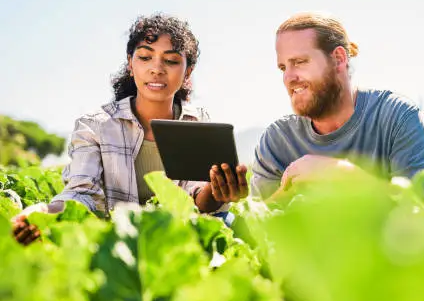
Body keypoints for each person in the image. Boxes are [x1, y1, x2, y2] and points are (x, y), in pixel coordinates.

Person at [12, 13, 248, 245]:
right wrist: (41, 212)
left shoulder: (200, 123)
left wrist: (217, 193)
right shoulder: (95, 125)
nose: (156, 69)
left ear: (188, 71)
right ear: (130, 64)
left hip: (179, 241)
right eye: (145, 58)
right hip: (117, 245)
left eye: (171, 60)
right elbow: (81, 195)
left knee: (228, 222)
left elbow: (197, 202)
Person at [249, 11, 424, 203]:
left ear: (338, 58)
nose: (288, 78)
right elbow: (256, 225)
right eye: (283, 68)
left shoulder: (397, 117)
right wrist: (221, 206)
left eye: (300, 62)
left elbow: (423, 210)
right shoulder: (278, 140)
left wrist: (339, 173)